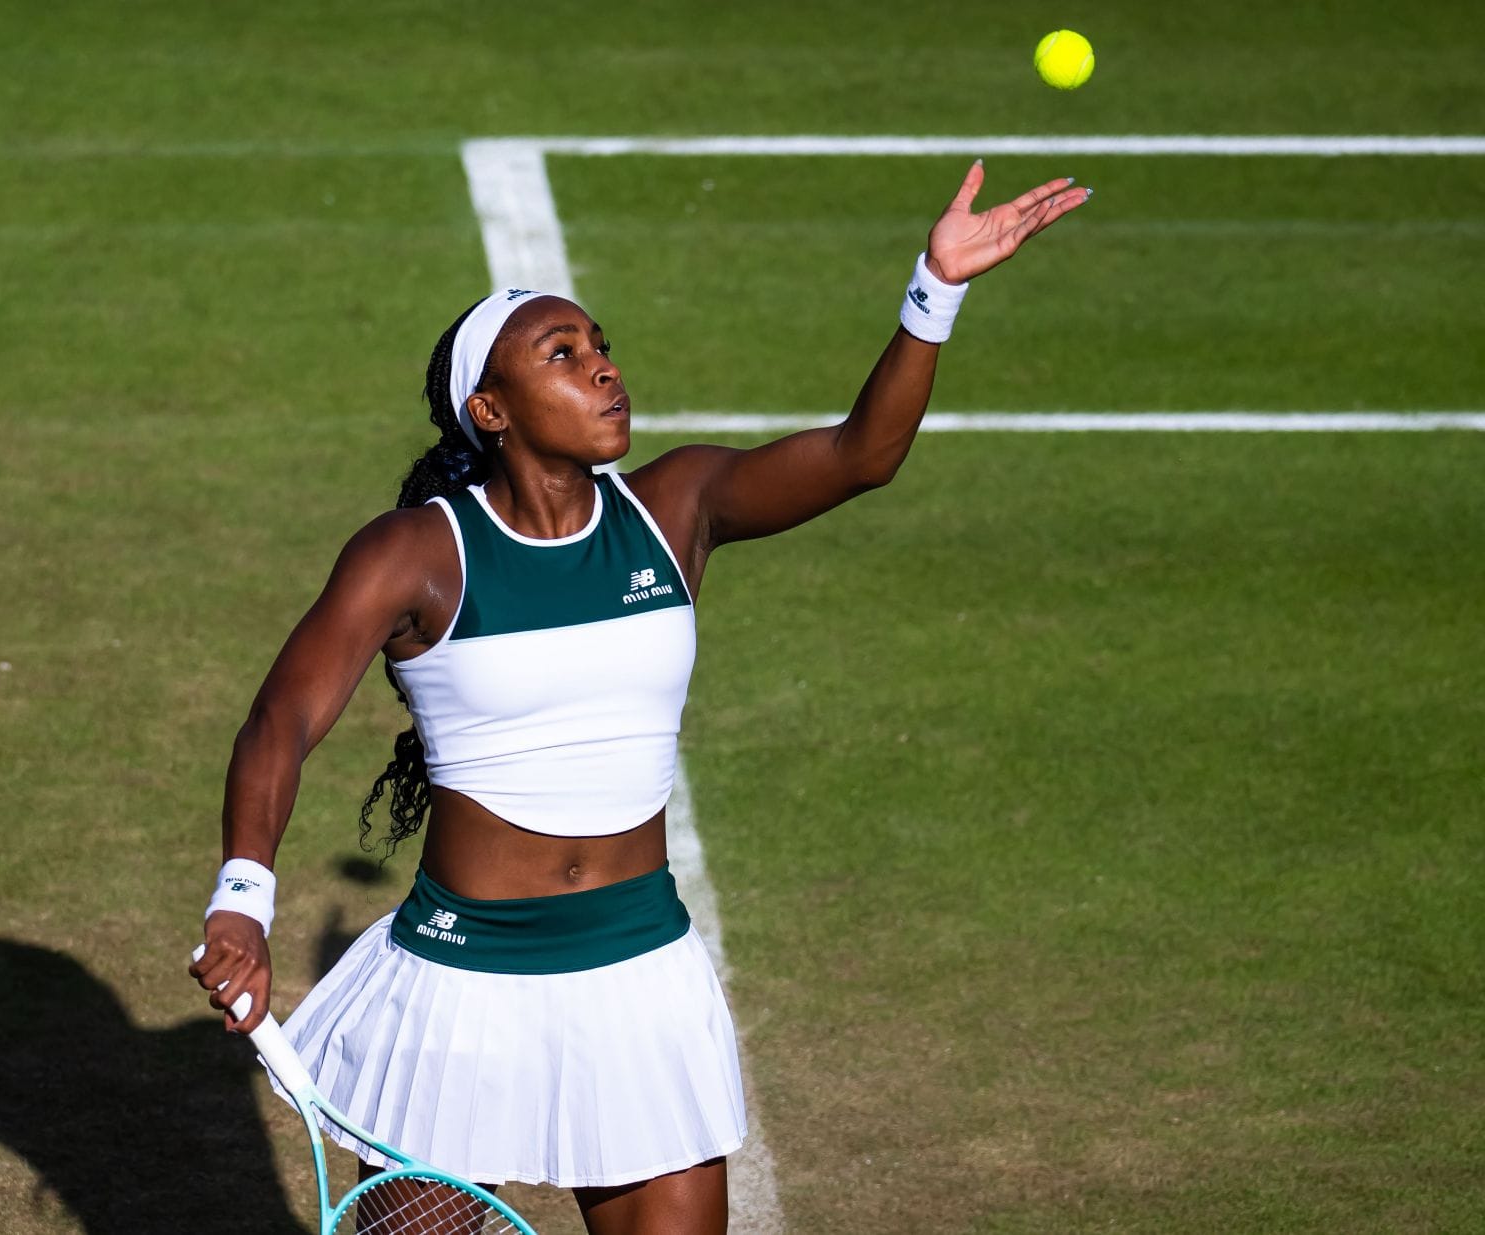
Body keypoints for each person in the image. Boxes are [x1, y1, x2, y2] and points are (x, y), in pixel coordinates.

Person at [190, 161, 1090, 1233]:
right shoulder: (417, 554)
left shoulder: (676, 507)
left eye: (601, 345)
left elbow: (861, 455)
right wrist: (243, 896)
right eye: (562, 355)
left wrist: (935, 288)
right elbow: (281, 718)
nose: (604, 368)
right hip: (461, 987)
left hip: (637, 976)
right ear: (490, 408)